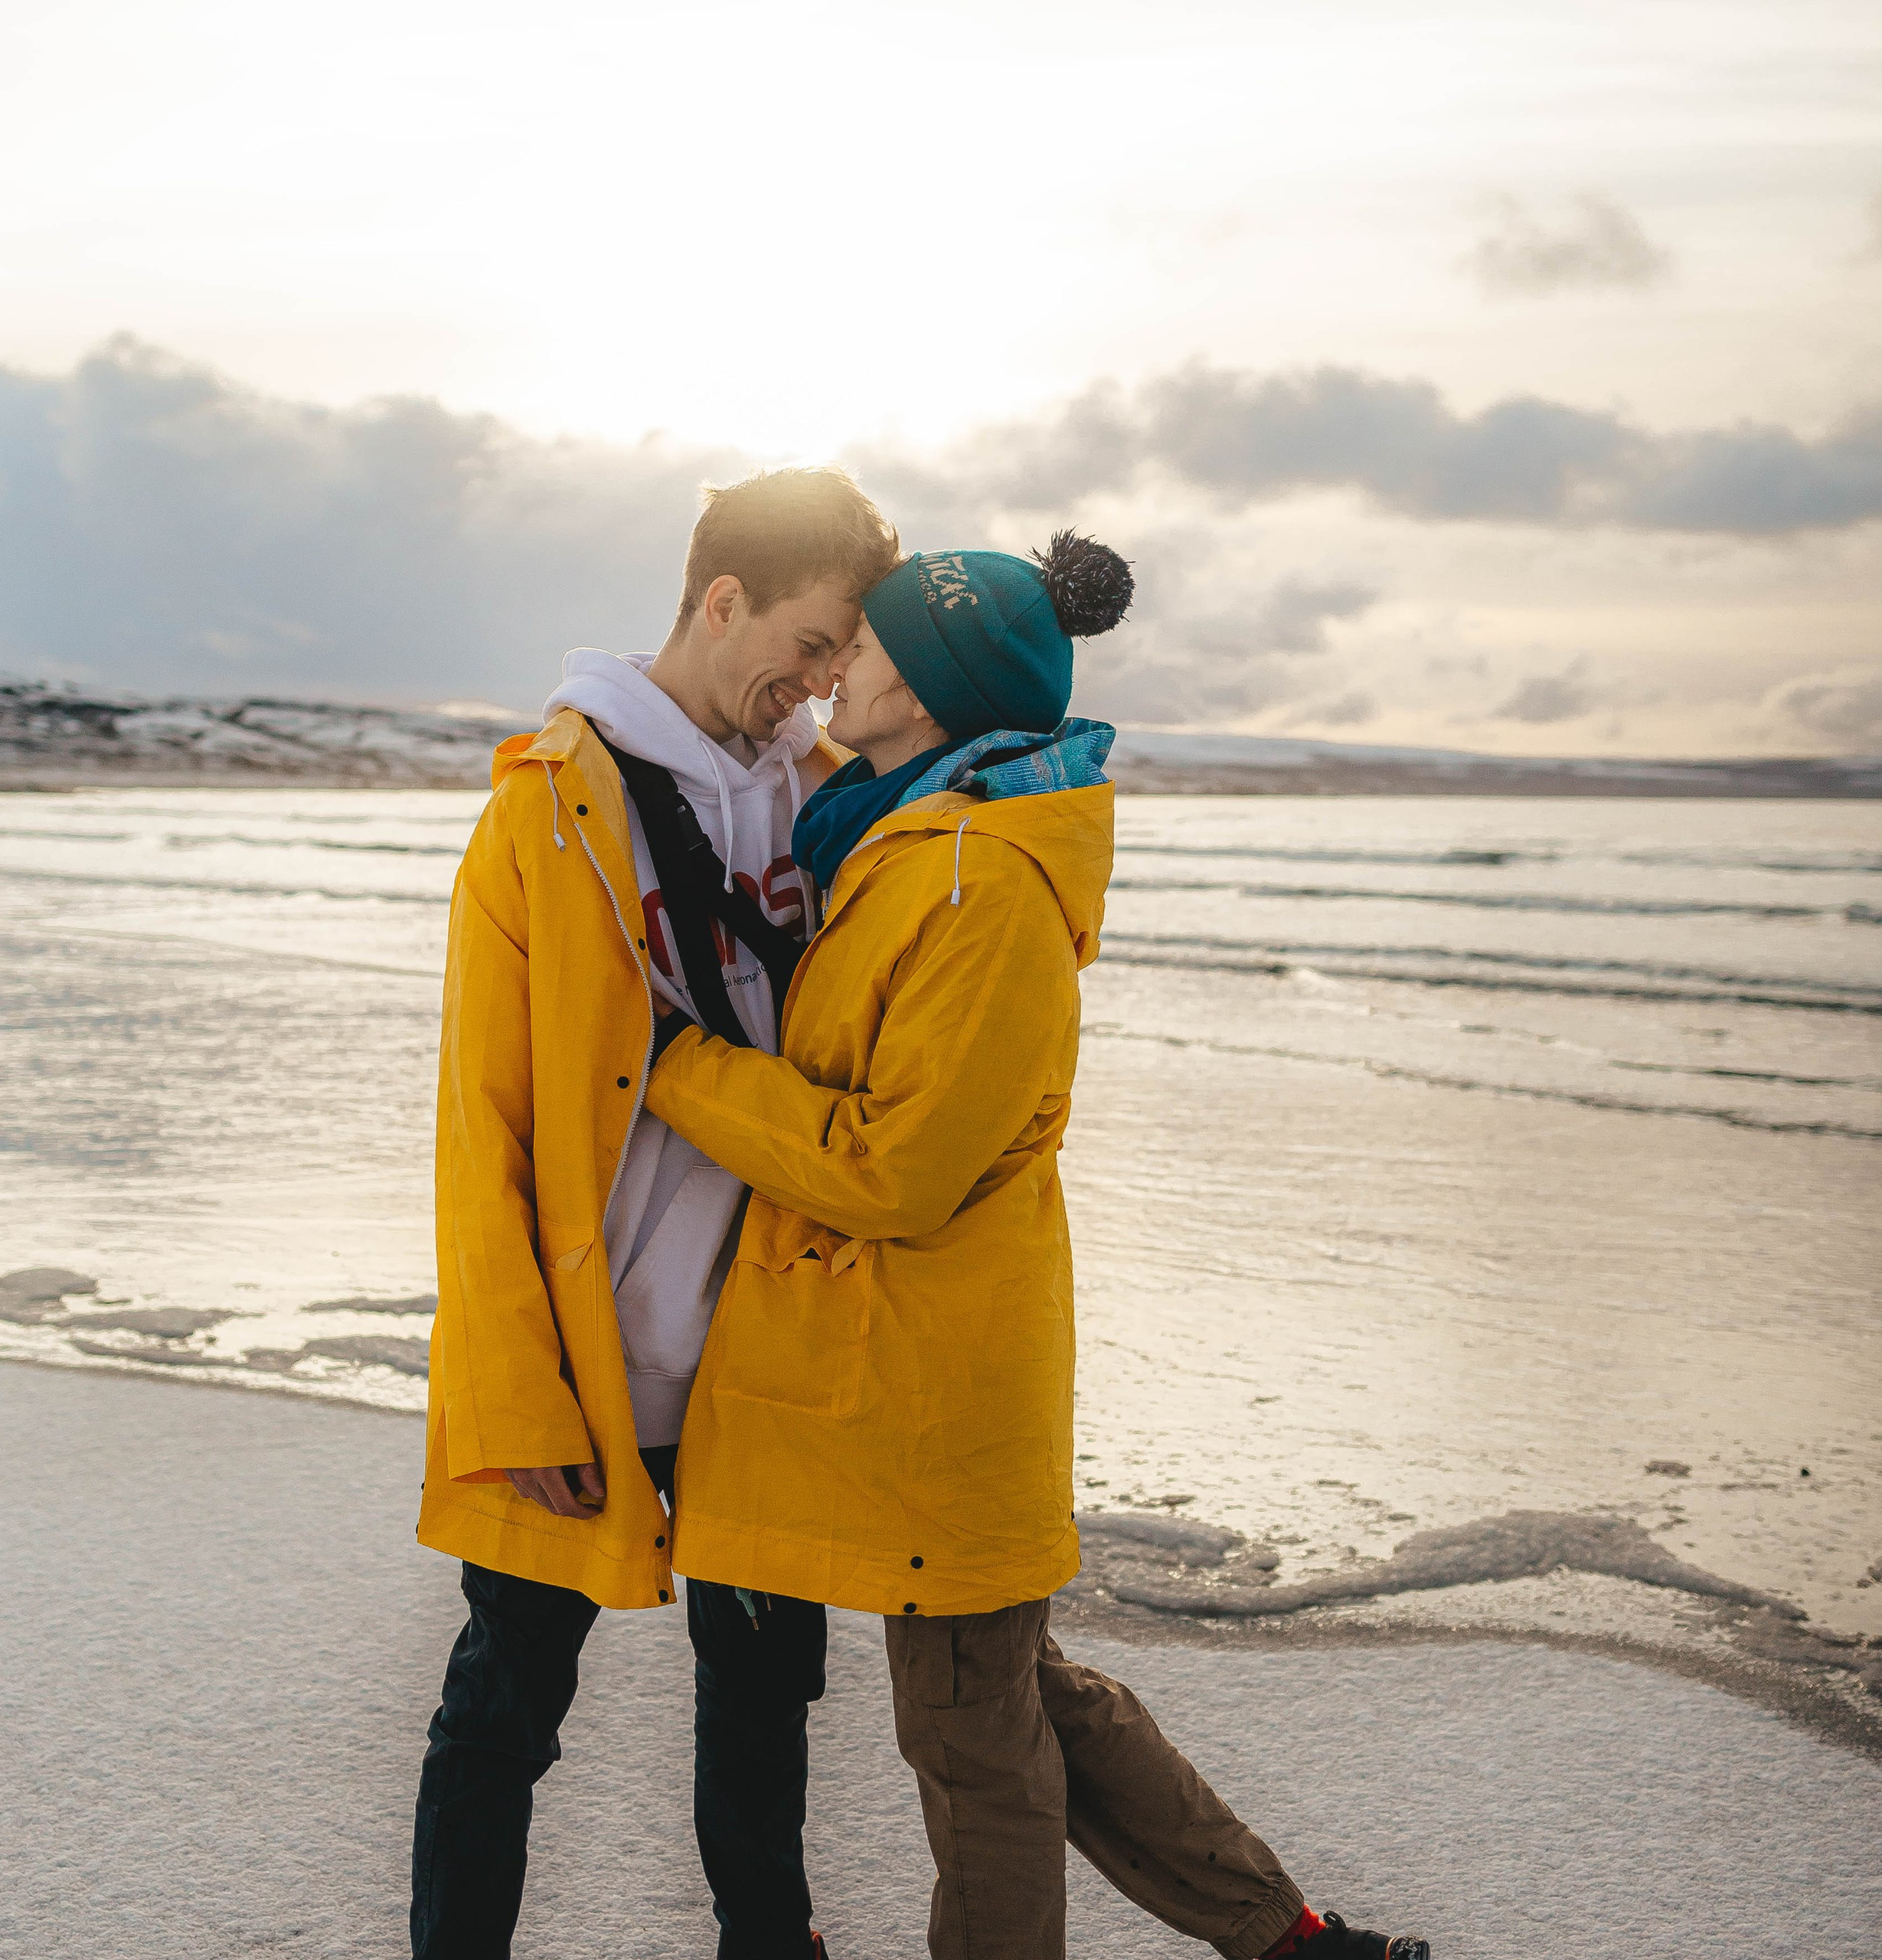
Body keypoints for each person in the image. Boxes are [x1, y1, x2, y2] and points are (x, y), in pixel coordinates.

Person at [642, 536, 1433, 1960]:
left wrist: (682, 1069)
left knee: (972, 1735)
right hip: (878, 1358)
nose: (837, 668)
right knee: (1010, 1693)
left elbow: (900, 1165)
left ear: (929, 698)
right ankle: (1290, 1941)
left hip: (935, 1371)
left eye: (865, 649)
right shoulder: (895, 830)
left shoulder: (980, 886)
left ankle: (1286, 1941)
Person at [410, 466, 900, 1960]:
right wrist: (521, 1393)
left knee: (766, 1707)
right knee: (505, 1700)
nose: (818, 684)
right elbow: (479, 1137)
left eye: (841, 659)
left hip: (763, 1342)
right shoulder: (548, 812)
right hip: (590, 1345)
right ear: (720, 598)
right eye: (810, 643)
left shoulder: (827, 801)